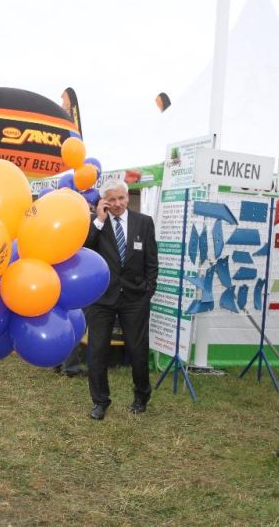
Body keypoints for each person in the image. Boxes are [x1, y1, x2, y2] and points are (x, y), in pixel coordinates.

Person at [83, 179, 158, 420]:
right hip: (102, 297)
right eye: (111, 199)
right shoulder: (96, 224)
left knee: (138, 350)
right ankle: (100, 401)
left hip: (135, 298)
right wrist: (99, 220)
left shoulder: (144, 222)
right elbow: (85, 249)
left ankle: (141, 396)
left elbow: (151, 259)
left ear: (127, 197)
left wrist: (149, 289)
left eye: (121, 198)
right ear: (103, 201)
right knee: (96, 352)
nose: (117, 204)